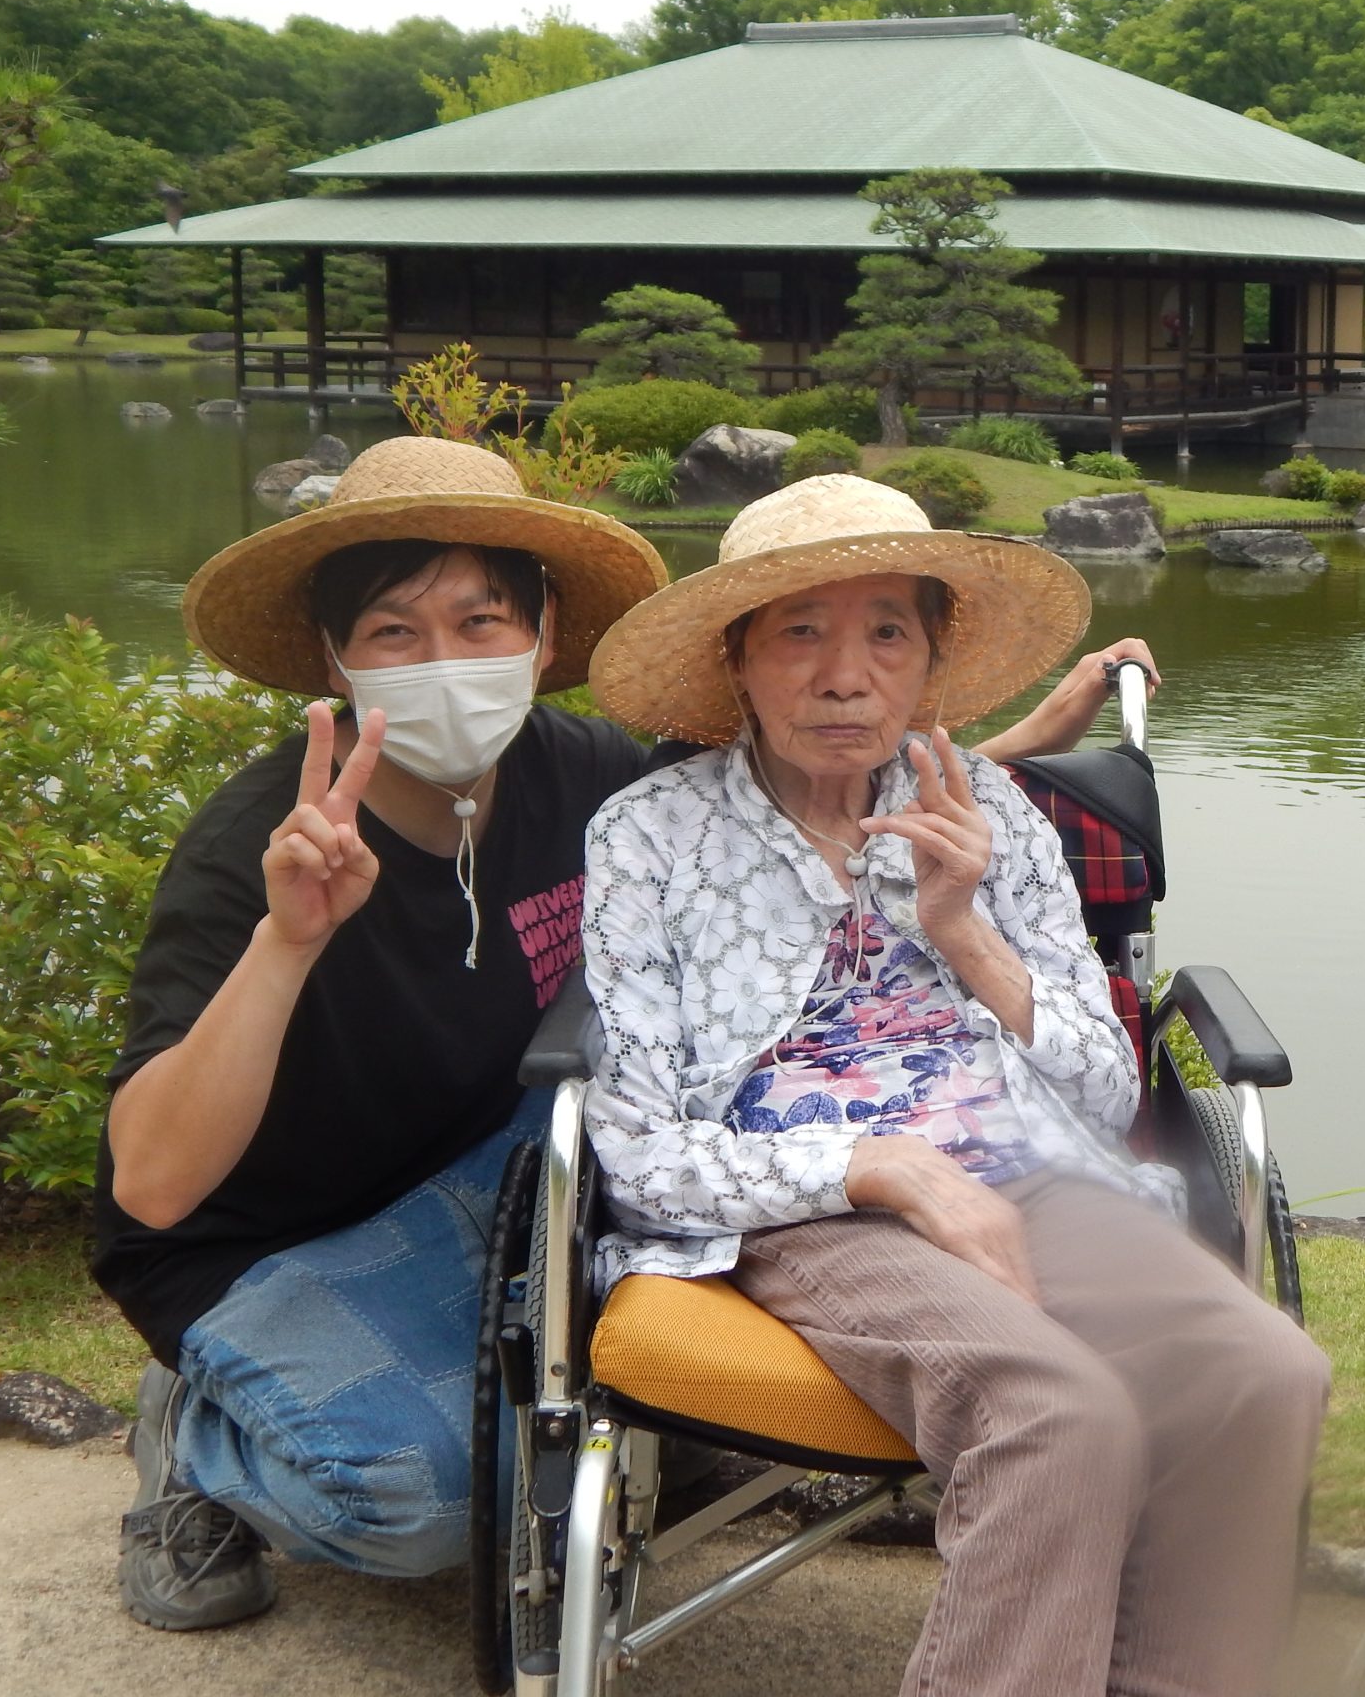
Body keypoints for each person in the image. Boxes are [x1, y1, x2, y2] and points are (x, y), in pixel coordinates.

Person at [92, 435, 1162, 1632]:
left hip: (506, 1171)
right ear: (336, 658)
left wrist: (1004, 758)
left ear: (544, 635)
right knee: (419, 1505)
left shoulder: (582, 772)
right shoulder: (264, 841)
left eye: (481, 620)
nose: (446, 661)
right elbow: (156, 1184)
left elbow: (794, 779)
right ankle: (196, 1434)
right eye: (395, 633)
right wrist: (288, 942)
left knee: (614, 1400)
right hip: (279, 1233)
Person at [578, 474, 1328, 1697]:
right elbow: (642, 1148)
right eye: (800, 632)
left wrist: (965, 929)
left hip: (1033, 1171)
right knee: (1056, 1414)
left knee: (1264, 1372)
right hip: (808, 1202)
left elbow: (1096, 1091)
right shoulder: (646, 836)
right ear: (739, 662)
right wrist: (877, 1164)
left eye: (887, 632)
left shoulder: (997, 818)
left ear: (930, 662)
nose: (844, 674)